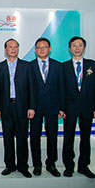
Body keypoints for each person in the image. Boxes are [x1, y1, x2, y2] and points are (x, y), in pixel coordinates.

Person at [0, 39, 35, 178]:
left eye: (16, 47)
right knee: (8, 138)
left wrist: (31, 106)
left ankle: (23, 166)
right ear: (5, 50)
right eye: (10, 47)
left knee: (22, 138)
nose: (13, 49)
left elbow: (31, 88)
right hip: (6, 107)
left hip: (22, 107)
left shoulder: (27, 66)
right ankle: (10, 165)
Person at [62, 36, 95, 178]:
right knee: (68, 138)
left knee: (85, 138)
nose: (77, 48)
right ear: (69, 48)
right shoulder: (64, 66)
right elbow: (61, 89)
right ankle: (69, 166)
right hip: (69, 108)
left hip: (87, 107)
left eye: (80, 45)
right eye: (74, 45)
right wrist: (61, 108)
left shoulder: (93, 65)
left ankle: (83, 166)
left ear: (84, 48)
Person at [30, 37, 65, 177]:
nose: (41, 49)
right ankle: (37, 165)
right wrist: (29, 106)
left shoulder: (58, 66)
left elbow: (62, 88)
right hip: (35, 108)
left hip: (52, 107)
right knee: (34, 137)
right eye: (39, 47)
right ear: (35, 50)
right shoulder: (29, 66)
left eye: (44, 47)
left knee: (52, 136)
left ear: (50, 49)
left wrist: (62, 107)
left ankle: (51, 164)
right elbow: (27, 89)